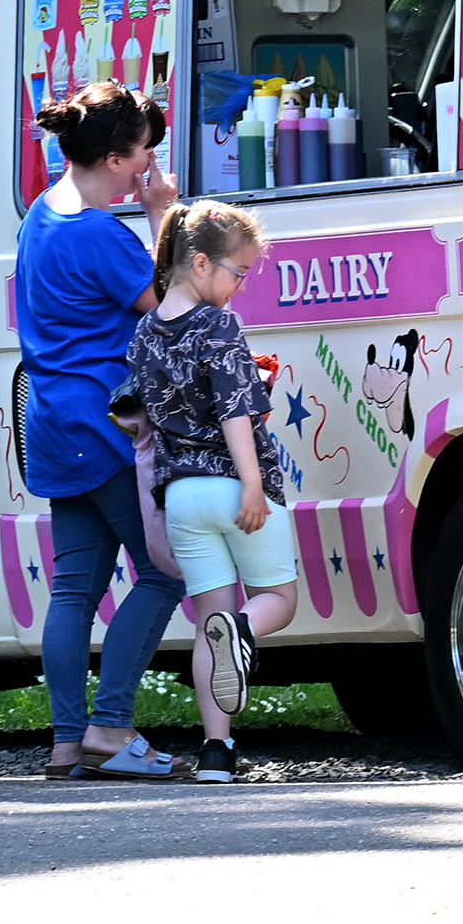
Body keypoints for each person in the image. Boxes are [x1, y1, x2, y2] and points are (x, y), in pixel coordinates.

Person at [17, 82, 187, 781]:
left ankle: (67, 743)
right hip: (111, 428)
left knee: (73, 591)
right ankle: (111, 726)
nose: (150, 163)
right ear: (117, 160)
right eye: (144, 151)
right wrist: (163, 213)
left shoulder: (40, 214)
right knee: (164, 572)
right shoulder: (101, 234)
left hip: (54, 426)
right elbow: (172, 305)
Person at [131, 201, 306, 785]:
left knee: (211, 619)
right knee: (276, 599)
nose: (241, 285)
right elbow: (234, 410)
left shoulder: (145, 332)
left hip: (182, 495)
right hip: (234, 485)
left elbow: (141, 414)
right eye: (239, 272)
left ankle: (216, 752)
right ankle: (244, 632)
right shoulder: (217, 325)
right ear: (201, 263)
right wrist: (253, 484)